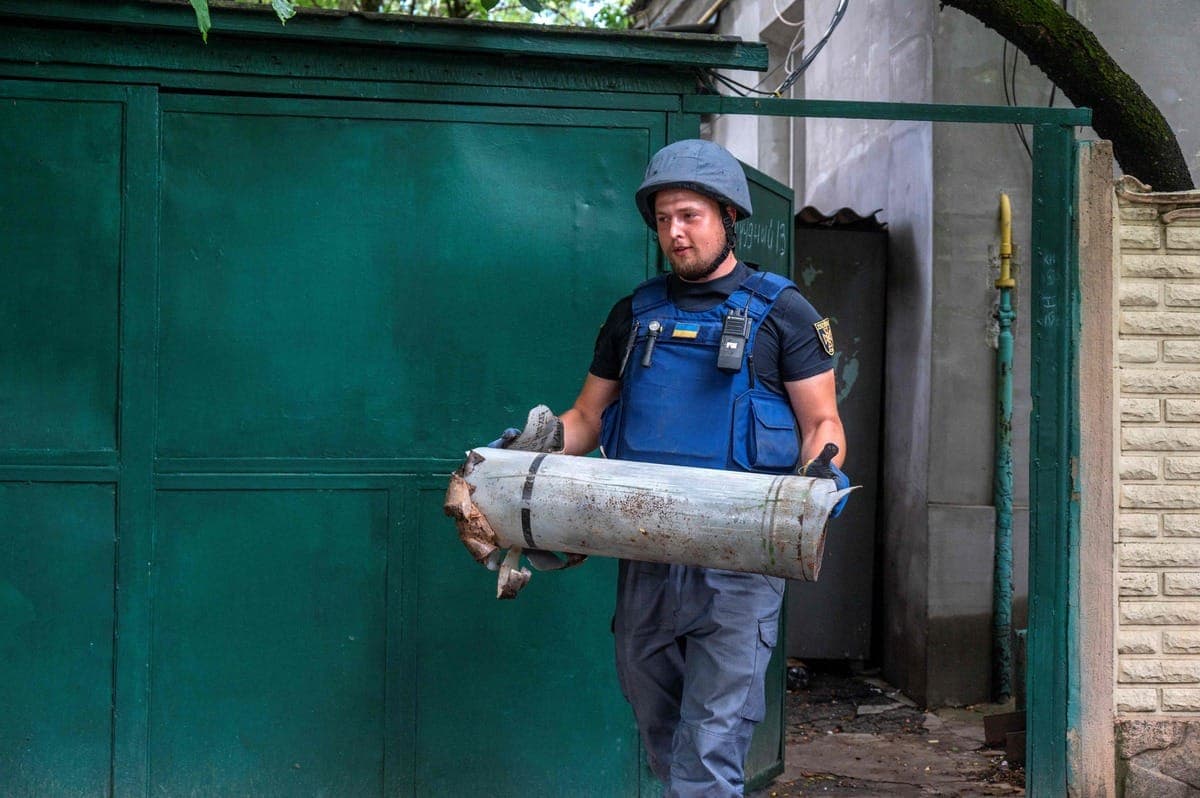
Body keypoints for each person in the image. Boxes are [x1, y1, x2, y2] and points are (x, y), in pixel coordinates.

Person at [496, 139, 848, 796]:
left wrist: (817, 475)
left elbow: (823, 423)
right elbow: (588, 419)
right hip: (647, 553)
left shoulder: (784, 313)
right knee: (661, 727)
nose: (675, 233)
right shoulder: (635, 315)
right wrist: (533, 445)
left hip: (740, 565)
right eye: (663, 220)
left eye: (688, 215)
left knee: (711, 743)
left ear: (726, 215)